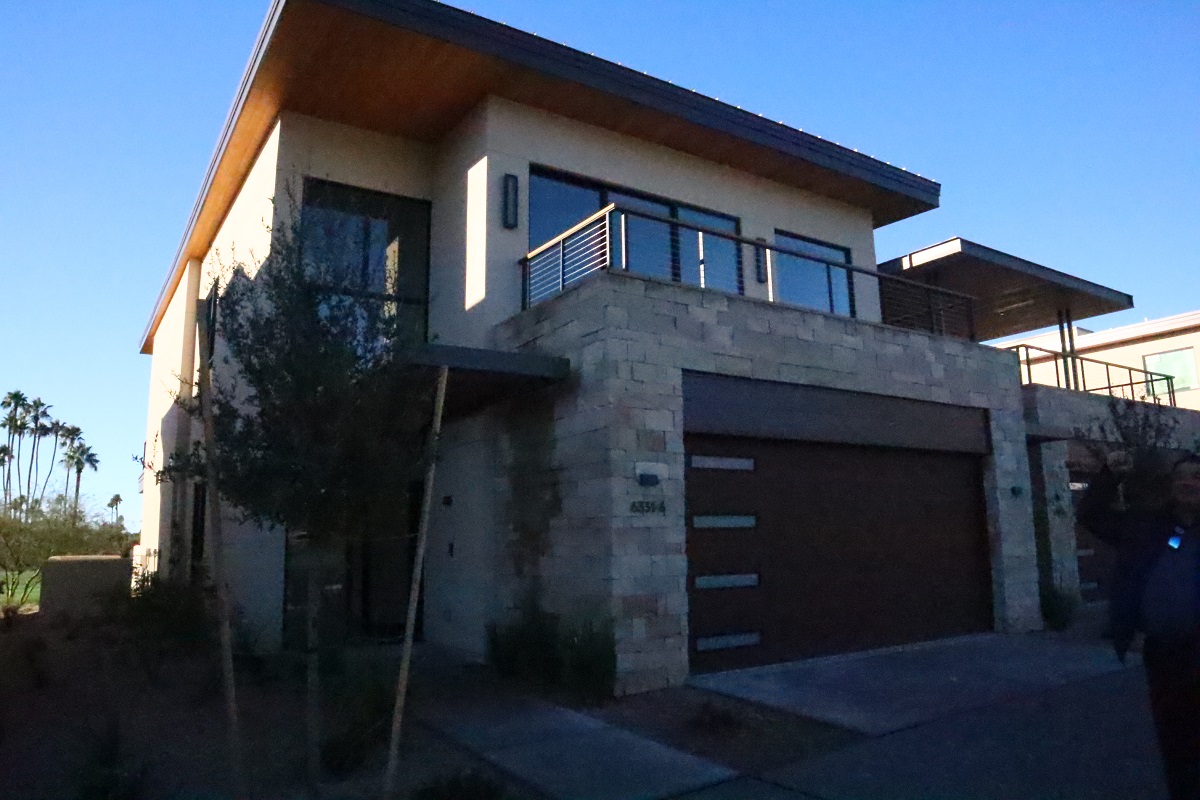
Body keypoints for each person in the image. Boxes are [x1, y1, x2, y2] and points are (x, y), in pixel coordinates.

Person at [1079, 452, 1200, 800]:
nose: (1187, 482)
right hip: (1164, 653)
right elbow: (1093, 516)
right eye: (1181, 477)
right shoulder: (1149, 527)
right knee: (1175, 737)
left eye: (1196, 476)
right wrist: (1108, 477)